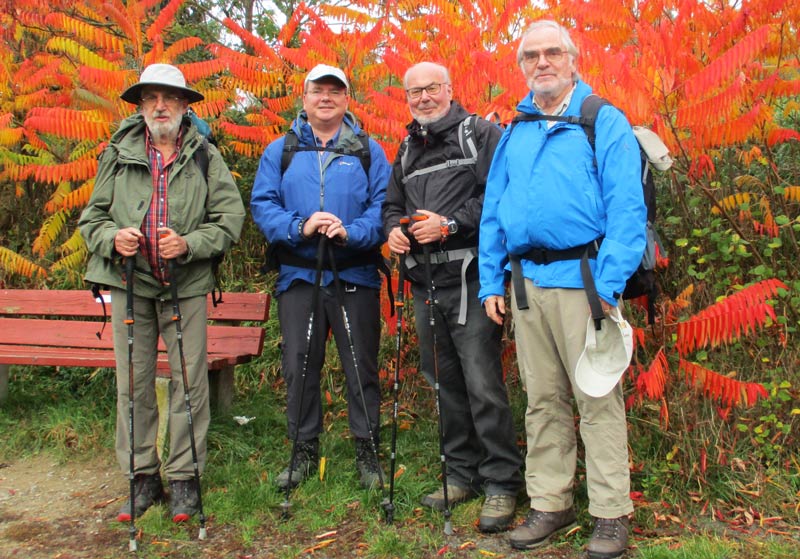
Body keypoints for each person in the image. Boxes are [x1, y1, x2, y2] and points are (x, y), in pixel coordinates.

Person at [478, 21, 646, 558]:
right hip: (526, 285)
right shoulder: (516, 130)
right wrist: (491, 279)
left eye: (553, 52)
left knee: (596, 397)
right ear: (522, 65)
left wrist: (610, 285)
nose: (542, 62)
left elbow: (627, 211)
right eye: (531, 55)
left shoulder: (602, 120)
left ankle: (611, 512)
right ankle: (551, 501)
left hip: (585, 283)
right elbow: (493, 212)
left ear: (573, 59)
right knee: (543, 400)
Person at [79, 64, 245, 523]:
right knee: (132, 384)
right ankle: (141, 478)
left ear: (185, 105)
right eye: (151, 98)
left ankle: (185, 479)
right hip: (129, 282)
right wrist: (113, 238)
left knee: (189, 383)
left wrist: (190, 244)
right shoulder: (117, 153)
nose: (160, 106)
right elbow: (90, 220)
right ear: (140, 106)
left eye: (169, 98)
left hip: (186, 285)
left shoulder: (205, 155)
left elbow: (230, 219)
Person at [383, 61, 523, 533]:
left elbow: (499, 196)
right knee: (443, 382)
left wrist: (449, 223)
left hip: (470, 277)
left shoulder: (479, 133)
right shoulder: (405, 148)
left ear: (448, 89)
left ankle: (502, 481)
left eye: (430, 89)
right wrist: (393, 233)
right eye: (413, 91)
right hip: (423, 281)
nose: (423, 98)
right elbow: (392, 205)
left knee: (483, 382)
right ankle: (461, 473)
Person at [250, 64, 391, 490]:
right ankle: (302, 450)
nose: (325, 97)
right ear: (305, 97)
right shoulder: (281, 150)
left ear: (348, 99)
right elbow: (263, 204)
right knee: (299, 365)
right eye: (318, 90)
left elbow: (383, 208)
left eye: (335, 90)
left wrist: (352, 232)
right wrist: (300, 227)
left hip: (355, 274)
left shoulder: (369, 150)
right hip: (299, 276)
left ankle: (367, 452)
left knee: (361, 367)